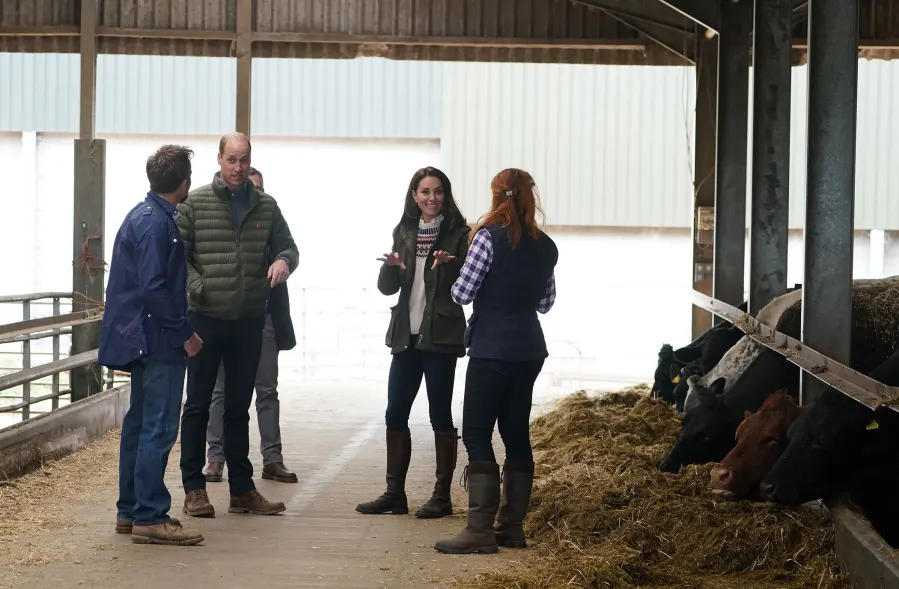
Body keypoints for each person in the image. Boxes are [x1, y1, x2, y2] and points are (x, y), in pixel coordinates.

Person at [434, 168, 559, 555]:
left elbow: (462, 294)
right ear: (529, 197)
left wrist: (455, 271)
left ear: (497, 195)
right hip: (529, 350)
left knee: (475, 432)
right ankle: (512, 528)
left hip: (491, 348)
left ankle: (478, 531)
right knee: (516, 433)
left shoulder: (487, 238)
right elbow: (546, 303)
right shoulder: (547, 245)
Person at [177, 133, 299, 518]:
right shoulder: (194, 203)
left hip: (248, 321)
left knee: (238, 408)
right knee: (197, 406)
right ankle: (194, 489)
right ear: (218, 159)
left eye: (244, 160)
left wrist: (283, 261)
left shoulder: (266, 205)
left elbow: (289, 248)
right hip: (205, 321)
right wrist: (200, 288)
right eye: (231, 159)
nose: (238, 167)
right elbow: (178, 258)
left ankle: (242, 490)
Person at [99, 144, 205, 546]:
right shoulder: (159, 225)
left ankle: (129, 510)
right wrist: (186, 335)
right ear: (184, 183)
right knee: (159, 427)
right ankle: (150, 515)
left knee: (139, 424)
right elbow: (154, 288)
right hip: (158, 340)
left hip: (137, 338)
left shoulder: (140, 216)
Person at [355, 166, 470, 518]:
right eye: (424, 191)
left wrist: (448, 267)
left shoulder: (460, 234)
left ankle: (441, 497)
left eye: (437, 191)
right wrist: (391, 267)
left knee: (439, 415)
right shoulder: (404, 231)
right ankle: (394, 494)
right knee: (395, 413)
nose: (431, 198)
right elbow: (387, 288)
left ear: (445, 195)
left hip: (441, 337)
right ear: (414, 196)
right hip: (407, 336)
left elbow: (463, 291)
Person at [203, 166, 299, 485]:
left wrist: (282, 259)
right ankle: (215, 458)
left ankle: (272, 459)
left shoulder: (269, 214)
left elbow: (289, 248)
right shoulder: (214, 218)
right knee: (220, 390)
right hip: (222, 316)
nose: (251, 193)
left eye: (256, 188)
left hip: (263, 317)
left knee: (266, 390)